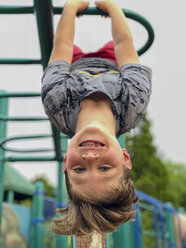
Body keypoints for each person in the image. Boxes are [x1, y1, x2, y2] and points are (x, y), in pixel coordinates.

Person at [41, 0, 152, 236]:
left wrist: (71, 8)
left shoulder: (57, 103)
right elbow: (124, 43)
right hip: (112, 63)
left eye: (79, 170)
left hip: (74, 65)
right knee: (118, 42)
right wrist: (112, 8)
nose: (90, 157)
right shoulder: (133, 101)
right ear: (125, 158)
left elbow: (62, 44)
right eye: (104, 168)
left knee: (59, 43)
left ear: (65, 164)